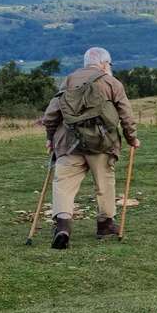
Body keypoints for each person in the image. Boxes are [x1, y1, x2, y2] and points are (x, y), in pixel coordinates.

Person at [39, 47, 140, 248]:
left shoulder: (68, 81)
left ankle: (62, 227)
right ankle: (105, 225)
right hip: (102, 144)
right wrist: (132, 138)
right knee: (104, 184)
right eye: (109, 64)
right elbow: (125, 114)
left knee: (63, 184)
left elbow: (51, 115)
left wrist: (51, 138)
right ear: (104, 63)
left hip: (69, 143)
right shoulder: (111, 82)